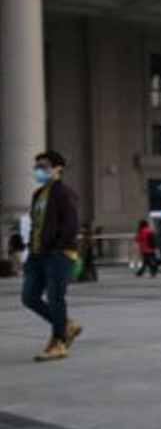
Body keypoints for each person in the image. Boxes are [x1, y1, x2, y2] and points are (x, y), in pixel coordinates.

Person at [21, 151, 84, 362]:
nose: (38, 170)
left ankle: (59, 343)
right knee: (29, 297)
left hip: (58, 253)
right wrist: (31, 247)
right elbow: (36, 224)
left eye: (43, 165)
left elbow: (71, 226)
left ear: (58, 168)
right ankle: (66, 325)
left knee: (55, 298)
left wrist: (57, 247)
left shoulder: (65, 193)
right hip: (37, 254)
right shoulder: (38, 195)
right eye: (37, 166)